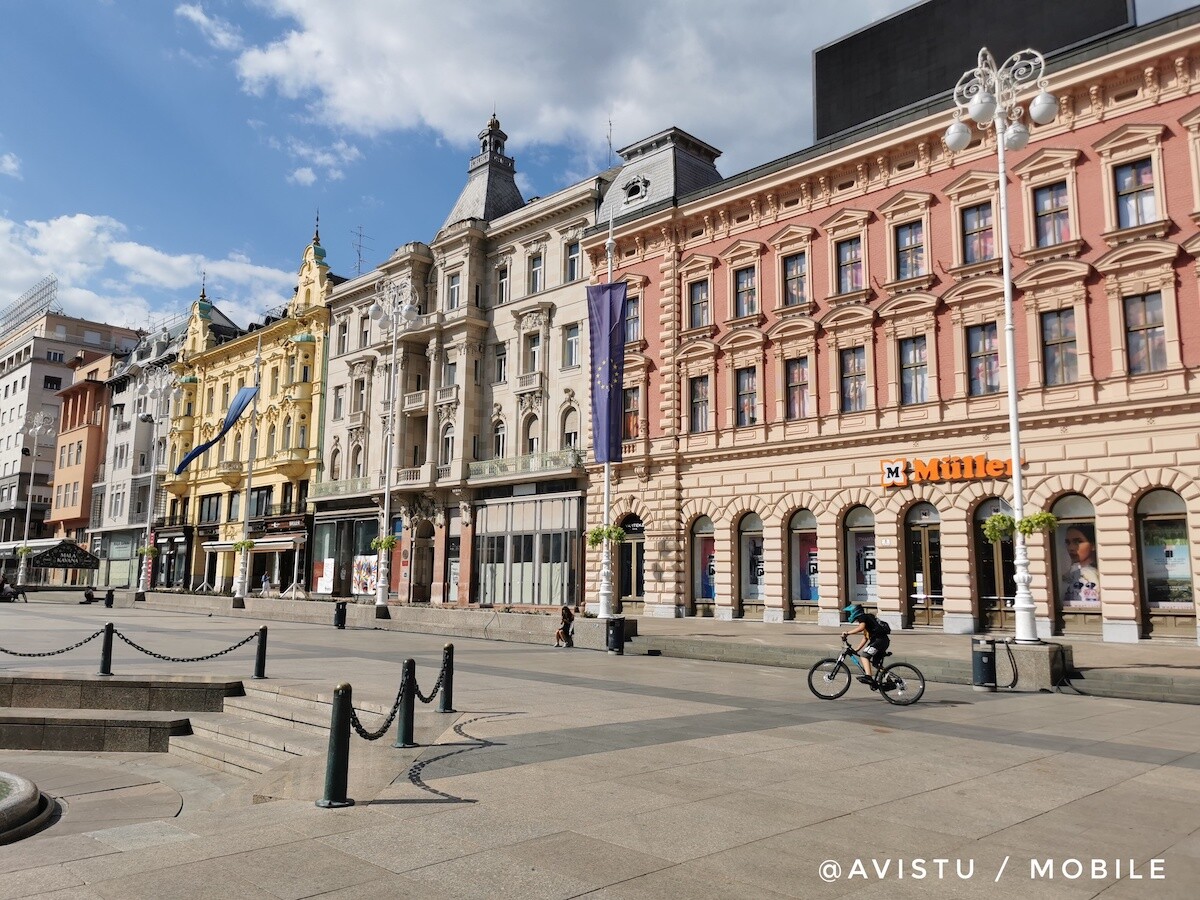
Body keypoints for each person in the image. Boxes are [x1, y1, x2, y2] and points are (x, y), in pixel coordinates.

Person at [841, 603, 890, 688]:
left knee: (864, 656)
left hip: (878, 641)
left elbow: (861, 628)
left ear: (854, 612)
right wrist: (857, 649)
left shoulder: (862, 617)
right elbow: (866, 638)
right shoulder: (868, 618)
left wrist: (847, 633)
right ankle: (890, 681)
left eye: (850, 613)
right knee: (876, 664)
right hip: (883, 641)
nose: (850, 615)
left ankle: (868, 677)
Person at [1062, 523, 1099, 606]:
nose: (1071, 548)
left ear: (1093, 545)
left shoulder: (1092, 574)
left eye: (1078, 542)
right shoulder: (1071, 572)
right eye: (1068, 543)